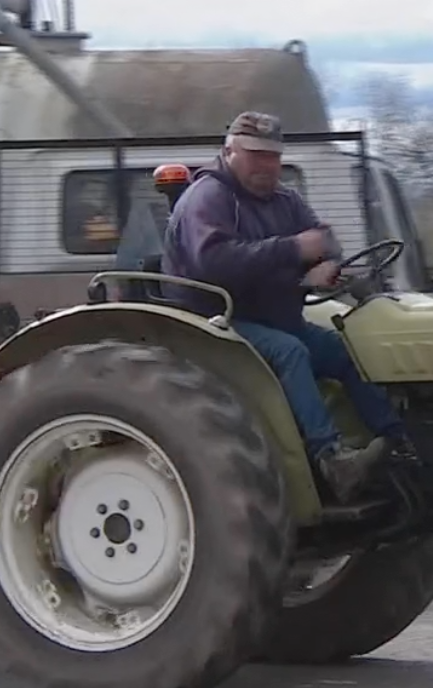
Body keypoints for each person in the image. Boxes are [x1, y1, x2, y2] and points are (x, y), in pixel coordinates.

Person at [161, 111, 411, 503]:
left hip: (276, 316)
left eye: (274, 155)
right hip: (219, 322)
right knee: (291, 352)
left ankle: (397, 439)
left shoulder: (285, 200)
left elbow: (323, 238)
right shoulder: (208, 198)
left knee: (345, 349)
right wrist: (295, 250)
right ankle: (331, 459)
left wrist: (321, 265)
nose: (267, 165)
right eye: (256, 154)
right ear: (230, 151)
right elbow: (215, 262)